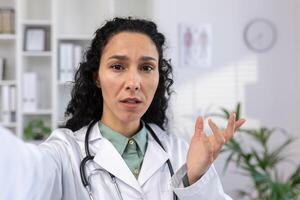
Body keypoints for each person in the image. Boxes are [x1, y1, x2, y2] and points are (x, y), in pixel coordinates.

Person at [0, 17, 246, 200]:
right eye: (118, 67)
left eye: (147, 68)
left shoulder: (180, 153)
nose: (134, 83)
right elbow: (23, 174)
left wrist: (195, 179)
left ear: (159, 77)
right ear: (96, 76)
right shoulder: (66, 153)